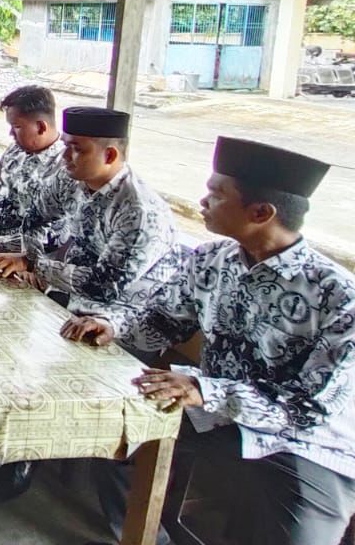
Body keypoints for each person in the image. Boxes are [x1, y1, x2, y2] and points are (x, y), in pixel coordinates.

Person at [65, 137, 355, 545]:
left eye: (217, 194)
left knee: (298, 536)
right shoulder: (212, 258)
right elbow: (162, 318)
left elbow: (308, 407)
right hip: (214, 411)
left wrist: (205, 388)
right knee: (118, 430)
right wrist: (114, 324)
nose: (202, 201)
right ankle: (146, 537)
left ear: (261, 212)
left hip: (303, 444)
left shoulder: (338, 296)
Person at [0, 106, 183, 327]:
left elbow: (105, 286)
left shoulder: (139, 212)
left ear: (110, 155)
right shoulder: (71, 179)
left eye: (77, 149)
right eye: (66, 145)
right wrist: (30, 258)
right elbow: (35, 216)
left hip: (123, 320)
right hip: (72, 300)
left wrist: (36, 267)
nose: (65, 156)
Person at [0, 85, 72, 252]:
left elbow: (54, 234)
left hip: (9, 255)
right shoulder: (15, 150)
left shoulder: (65, 168)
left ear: (41, 127)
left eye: (17, 126)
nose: (11, 133)